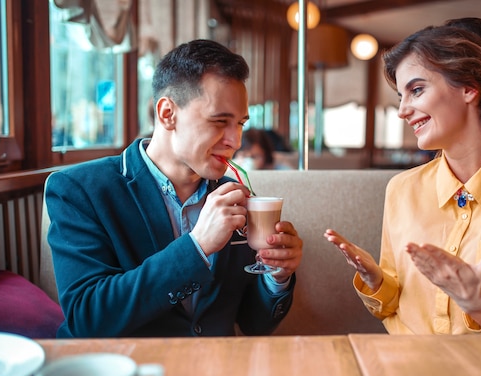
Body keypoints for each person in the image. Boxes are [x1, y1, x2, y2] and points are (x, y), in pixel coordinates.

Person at [324, 20, 481, 334]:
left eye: (416, 90)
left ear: (469, 87)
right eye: (401, 95)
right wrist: (376, 281)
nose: (403, 110)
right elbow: (392, 308)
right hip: (405, 370)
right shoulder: (401, 189)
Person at [45, 39, 303, 338]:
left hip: (216, 371)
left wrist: (277, 277)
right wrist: (197, 246)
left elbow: (252, 325)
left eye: (241, 123)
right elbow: (87, 319)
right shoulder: (79, 190)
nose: (235, 140)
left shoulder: (236, 195)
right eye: (220, 121)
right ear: (168, 113)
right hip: (122, 372)